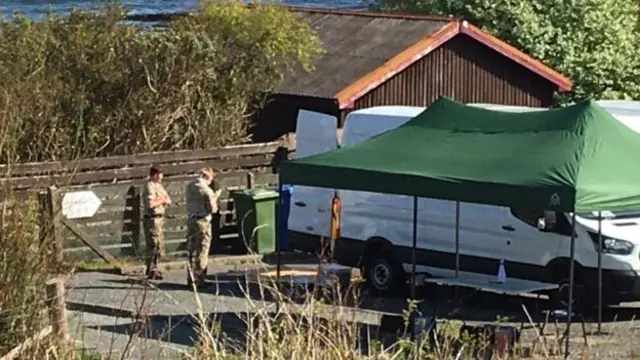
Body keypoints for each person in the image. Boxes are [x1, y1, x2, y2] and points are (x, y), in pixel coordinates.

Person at [185, 167, 222, 288]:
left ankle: (190, 278)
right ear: (207, 177)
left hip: (191, 219)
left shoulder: (189, 186)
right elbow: (213, 209)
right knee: (202, 249)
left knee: (191, 249)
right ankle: (199, 279)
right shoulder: (207, 190)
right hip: (203, 221)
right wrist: (215, 197)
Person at [142, 165, 171, 280]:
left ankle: (155, 268)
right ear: (155, 174)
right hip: (152, 218)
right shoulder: (150, 186)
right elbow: (151, 204)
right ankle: (151, 269)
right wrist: (162, 200)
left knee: (159, 245)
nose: (161, 176)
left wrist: (164, 200)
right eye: (160, 173)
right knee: (154, 245)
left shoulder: (159, 186)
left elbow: (168, 199)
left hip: (159, 218)